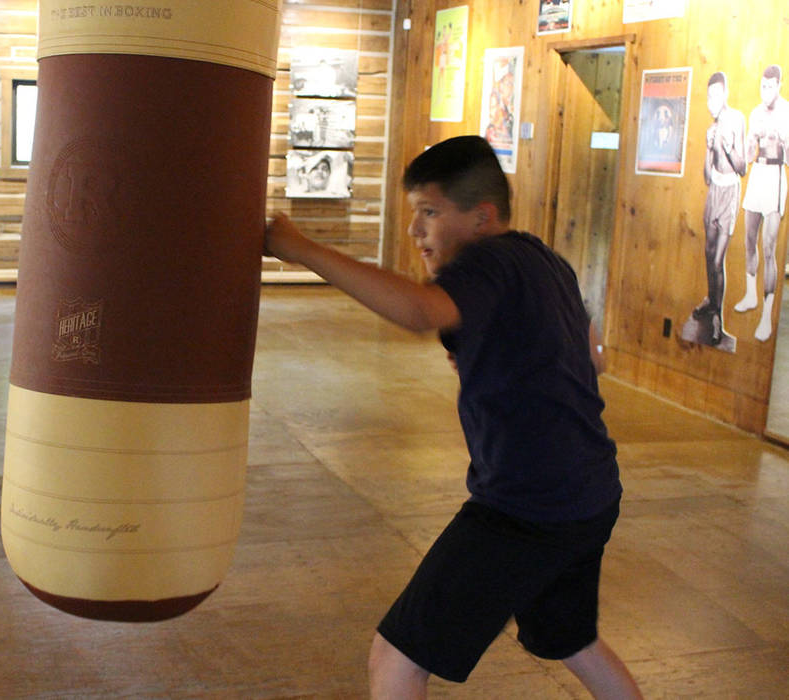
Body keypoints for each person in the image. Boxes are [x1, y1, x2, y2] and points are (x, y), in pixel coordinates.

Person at [264, 136, 642, 699]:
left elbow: (419, 311)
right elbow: (596, 358)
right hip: (589, 494)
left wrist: (301, 249)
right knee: (570, 640)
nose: (416, 231)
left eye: (430, 213)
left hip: (526, 509)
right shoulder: (544, 258)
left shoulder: (487, 260)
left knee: (395, 658)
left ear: (482, 217)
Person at [691, 72, 747, 345]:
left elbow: (743, 167)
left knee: (717, 260)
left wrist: (727, 147)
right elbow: (705, 176)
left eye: (715, 95)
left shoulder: (737, 119)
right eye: (708, 95)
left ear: (724, 94)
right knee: (707, 253)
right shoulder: (711, 128)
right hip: (714, 191)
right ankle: (711, 303)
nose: (711, 101)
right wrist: (707, 148)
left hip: (730, 193)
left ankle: (718, 320)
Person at [735, 64, 789, 341]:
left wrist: (782, 140)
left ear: (779, 85)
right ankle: (750, 294)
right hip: (757, 175)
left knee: (769, 246)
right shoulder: (755, 113)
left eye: (770, 86)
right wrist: (748, 144)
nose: (765, 91)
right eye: (762, 86)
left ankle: (766, 314)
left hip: (776, 175)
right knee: (749, 239)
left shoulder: (787, 112)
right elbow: (748, 153)